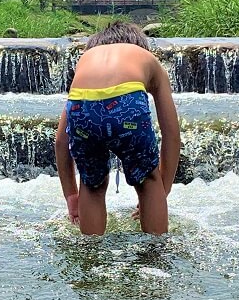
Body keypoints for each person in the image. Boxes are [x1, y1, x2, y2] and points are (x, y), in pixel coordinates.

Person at [54, 21, 180, 235]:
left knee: (92, 184)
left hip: (82, 106)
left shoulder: (87, 60)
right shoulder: (147, 58)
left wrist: (72, 196)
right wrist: (161, 189)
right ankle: (156, 251)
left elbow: (60, 141)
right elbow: (171, 135)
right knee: (148, 181)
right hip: (126, 104)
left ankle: (90, 251)